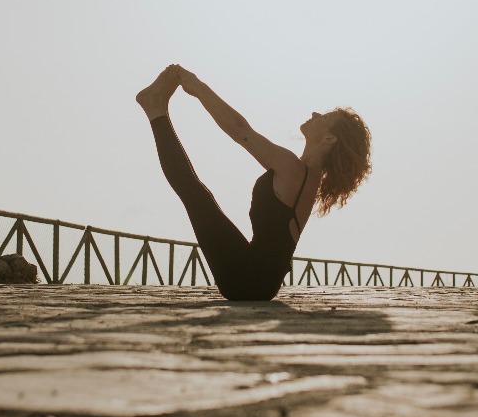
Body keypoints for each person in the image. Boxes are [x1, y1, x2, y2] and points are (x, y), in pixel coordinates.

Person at [136, 64, 371, 301]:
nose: (315, 114)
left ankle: (155, 107)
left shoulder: (295, 170)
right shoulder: (306, 177)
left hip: (247, 278)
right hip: (256, 281)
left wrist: (197, 86)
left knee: (193, 191)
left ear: (329, 138)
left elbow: (241, 131)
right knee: (195, 192)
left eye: (325, 117)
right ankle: (156, 108)